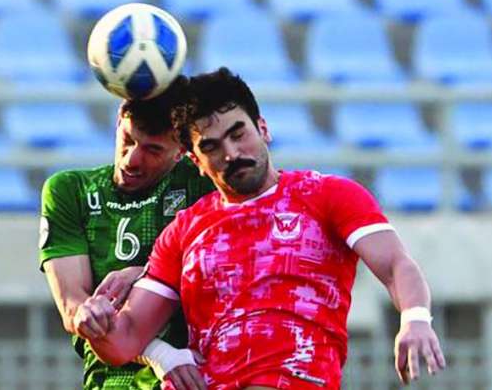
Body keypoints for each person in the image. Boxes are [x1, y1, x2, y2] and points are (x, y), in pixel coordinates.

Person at [79, 67, 447, 390]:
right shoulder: (183, 231)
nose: (231, 153)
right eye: (212, 147)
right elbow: (124, 341)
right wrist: (94, 321)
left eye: (238, 134)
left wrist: (415, 318)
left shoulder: (327, 195)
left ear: (263, 128)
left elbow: (395, 264)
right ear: (195, 162)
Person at [39, 76, 216, 389]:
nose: (132, 159)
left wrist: (143, 274)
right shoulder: (70, 191)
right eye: (128, 139)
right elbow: (72, 307)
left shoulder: (203, 183)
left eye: (153, 150)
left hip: (196, 374)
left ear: (181, 150)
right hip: (114, 378)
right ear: (119, 119)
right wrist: (159, 354)